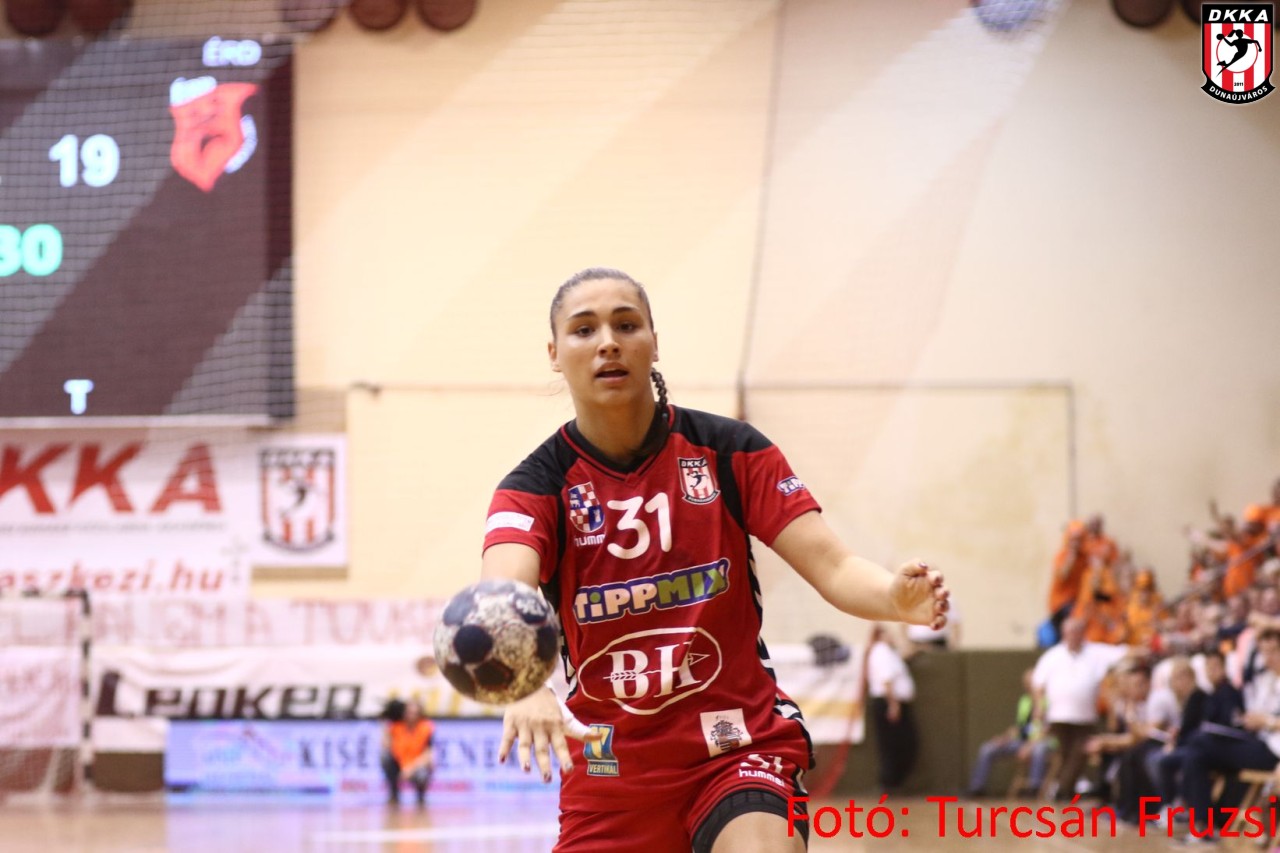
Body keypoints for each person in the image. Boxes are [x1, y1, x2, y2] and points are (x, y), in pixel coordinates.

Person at [479, 267, 949, 853]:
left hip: (738, 747)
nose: (608, 342)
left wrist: (892, 597)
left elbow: (833, 566)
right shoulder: (534, 487)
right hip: (611, 771)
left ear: (654, 341)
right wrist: (523, 685)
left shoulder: (730, 450)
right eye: (584, 329)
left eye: (626, 325)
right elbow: (500, 600)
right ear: (554, 354)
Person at [1177, 629, 1280, 844]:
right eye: (1264, 652)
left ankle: (1200, 823)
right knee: (1197, 751)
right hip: (1255, 741)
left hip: (1272, 751)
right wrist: (1249, 720)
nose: (1268, 657)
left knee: (1199, 744)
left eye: (1274, 651)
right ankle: (1202, 825)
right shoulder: (1265, 681)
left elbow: (1268, 721)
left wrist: (1266, 721)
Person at [1031, 617, 1127, 800]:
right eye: (1070, 632)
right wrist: (1039, 708)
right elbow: (1038, 684)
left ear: (1083, 633)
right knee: (1064, 754)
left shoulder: (1096, 652)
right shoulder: (1052, 656)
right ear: (1063, 634)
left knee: (1080, 752)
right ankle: (1064, 790)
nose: (1073, 636)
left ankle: (1062, 790)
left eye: (1076, 632)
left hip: (1085, 717)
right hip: (1057, 717)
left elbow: (1123, 653)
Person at [966, 668, 1053, 798]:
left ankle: (1034, 788)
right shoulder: (1025, 701)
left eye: (1031, 683)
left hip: (1044, 741)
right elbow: (1022, 727)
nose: (1029, 687)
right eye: (1026, 684)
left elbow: (1049, 730)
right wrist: (1005, 738)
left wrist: (1029, 746)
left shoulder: (1049, 701)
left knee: (1038, 750)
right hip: (1022, 741)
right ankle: (977, 787)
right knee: (987, 748)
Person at [864, 624, 918, 792]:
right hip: (889, 703)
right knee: (893, 744)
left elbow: (907, 653)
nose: (891, 636)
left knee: (900, 744)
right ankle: (889, 783)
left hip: (894, 702)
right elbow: (886, 680)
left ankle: (894, 782)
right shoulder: (881, 652)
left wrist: (905, 632)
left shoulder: (890, 652)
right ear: (880, 635)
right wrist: (893, 704)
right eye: (888, 633)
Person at [381, 697, 435, 807]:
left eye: (415, 713)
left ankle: (420, 797)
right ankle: (394, 794)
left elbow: (429, 754)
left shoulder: (426, 727)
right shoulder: (395, 726)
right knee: (384, 757)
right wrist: (384, 723)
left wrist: (410, 768)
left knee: (423, 772)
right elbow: (385, 746)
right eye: (409, 712)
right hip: (399, 763)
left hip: (416, 765)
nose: (411, 716)